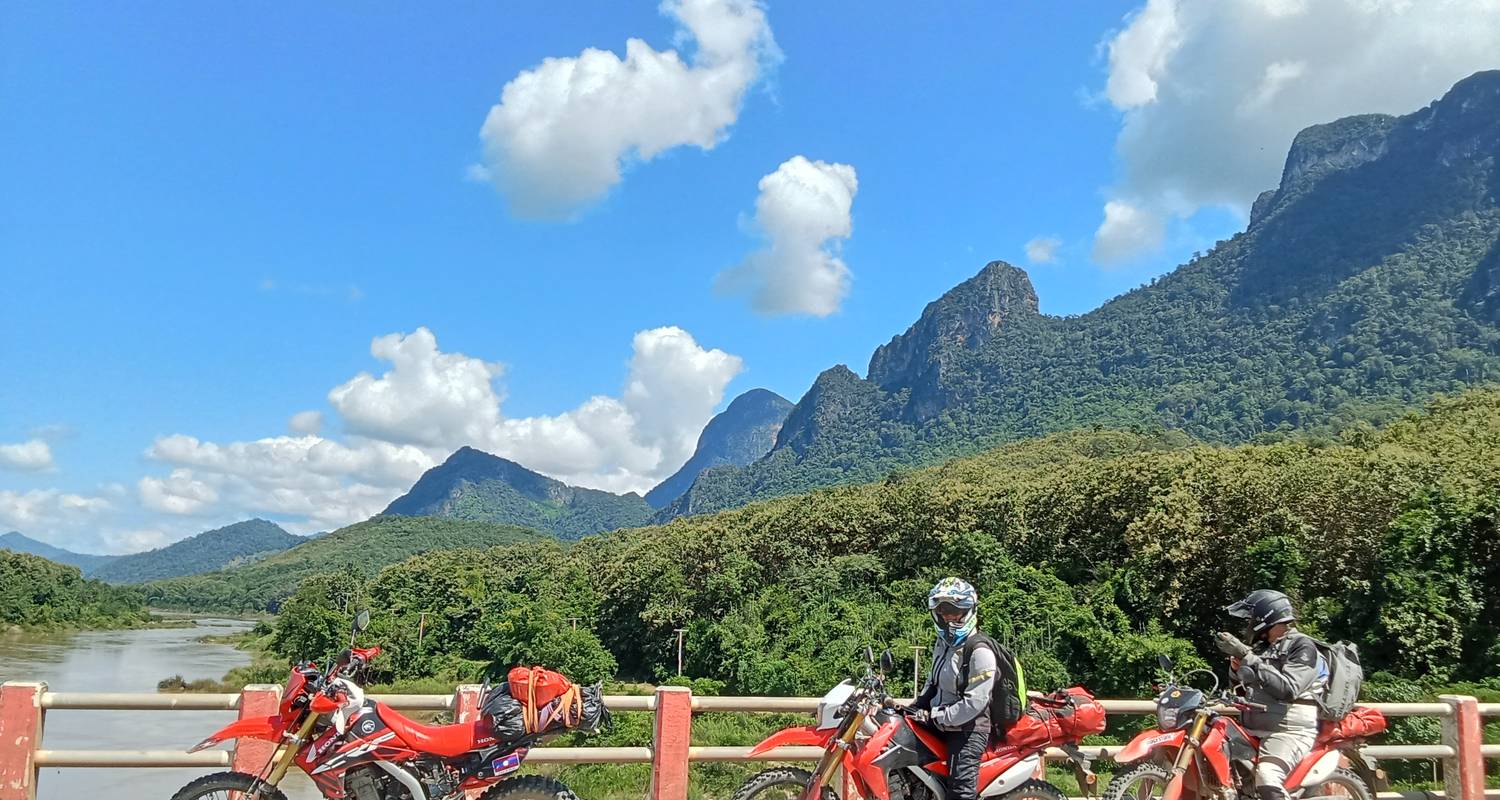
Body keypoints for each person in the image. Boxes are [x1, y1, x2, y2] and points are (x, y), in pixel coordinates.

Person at [907, 578, 1025, 800]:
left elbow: (975, 702)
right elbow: (932, 683)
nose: (949, 616)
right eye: (943, 610)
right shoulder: (942, 645)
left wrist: (937, 716)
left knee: (960, 792)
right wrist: (912, 709)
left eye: (955, 610)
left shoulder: (980, 650)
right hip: (942, 721)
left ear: (969, 610)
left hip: (969, 729)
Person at [1214, 589, 1327, 800]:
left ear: (1264, 618)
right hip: (1253, 727)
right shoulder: (1261, 649)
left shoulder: (1302, 646)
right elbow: (1240, 691)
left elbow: (1287, 689)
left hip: (1288, 731)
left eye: (1250, 619)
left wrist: (1246, 655)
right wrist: (1236, 669)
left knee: (1267, 777)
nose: (1247, 625)